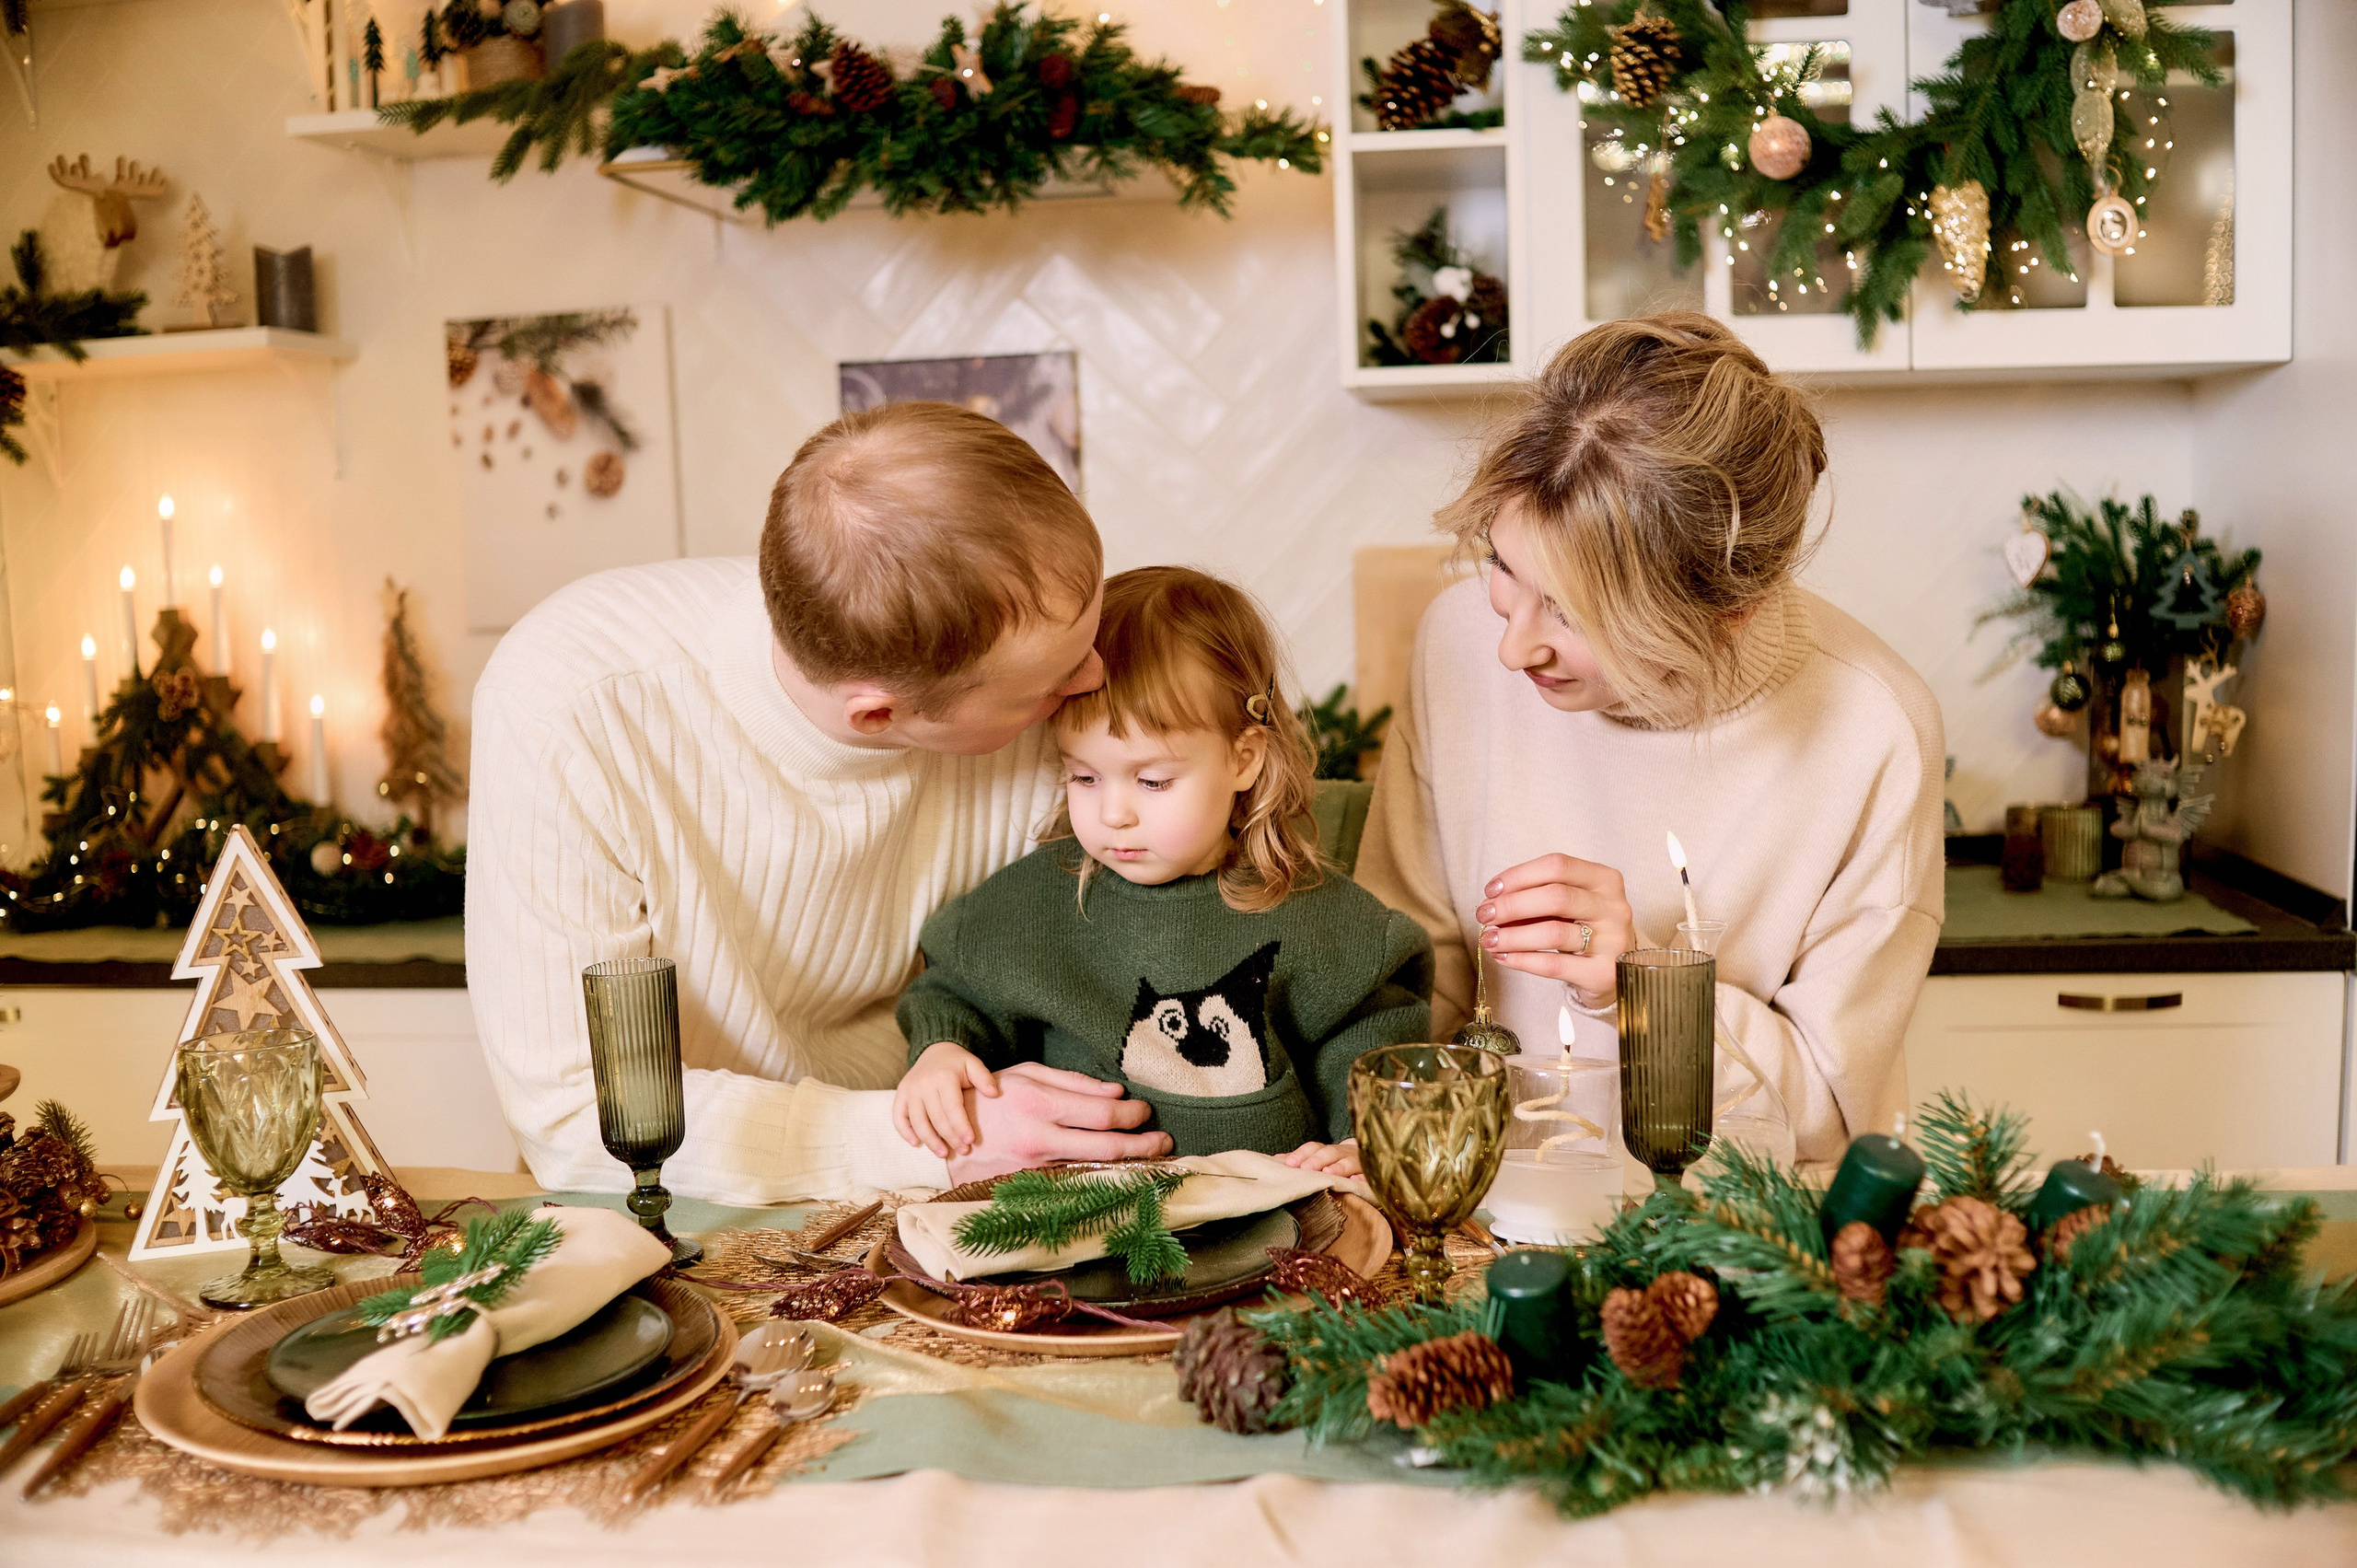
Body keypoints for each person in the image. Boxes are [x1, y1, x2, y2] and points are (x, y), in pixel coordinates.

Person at [467, 402, 1175, 1203]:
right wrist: (925, 1144)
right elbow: (573, 1113)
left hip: (969, 1177)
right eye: (1050, 685)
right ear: (880, 716)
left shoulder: (1004, 651)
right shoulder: (568, 706)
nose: (1093, 680)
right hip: (683, 1199)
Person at [1355, 314, 1945, 1167]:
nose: (1513, 646)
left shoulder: (1873, 730)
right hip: (1482, 1210)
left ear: (1725, 613)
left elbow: (1827, 1118)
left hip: (1736, 1230)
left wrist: (1645, 990)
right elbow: (1410, 977)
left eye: (1572, 612)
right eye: (1506, 567)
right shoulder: (1454, 644)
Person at [892, 567, 1434, 1178]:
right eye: (1084, 776)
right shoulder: (1036, 902)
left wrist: (1367, 1140)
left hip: (1275, 1218)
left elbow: (1377, 1040)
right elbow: (957, 985)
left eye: (1152, 780)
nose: (1113, 813)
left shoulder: (1326, 920)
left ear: (1243, 758)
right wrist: (941, 1049)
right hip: (1081, 1216)